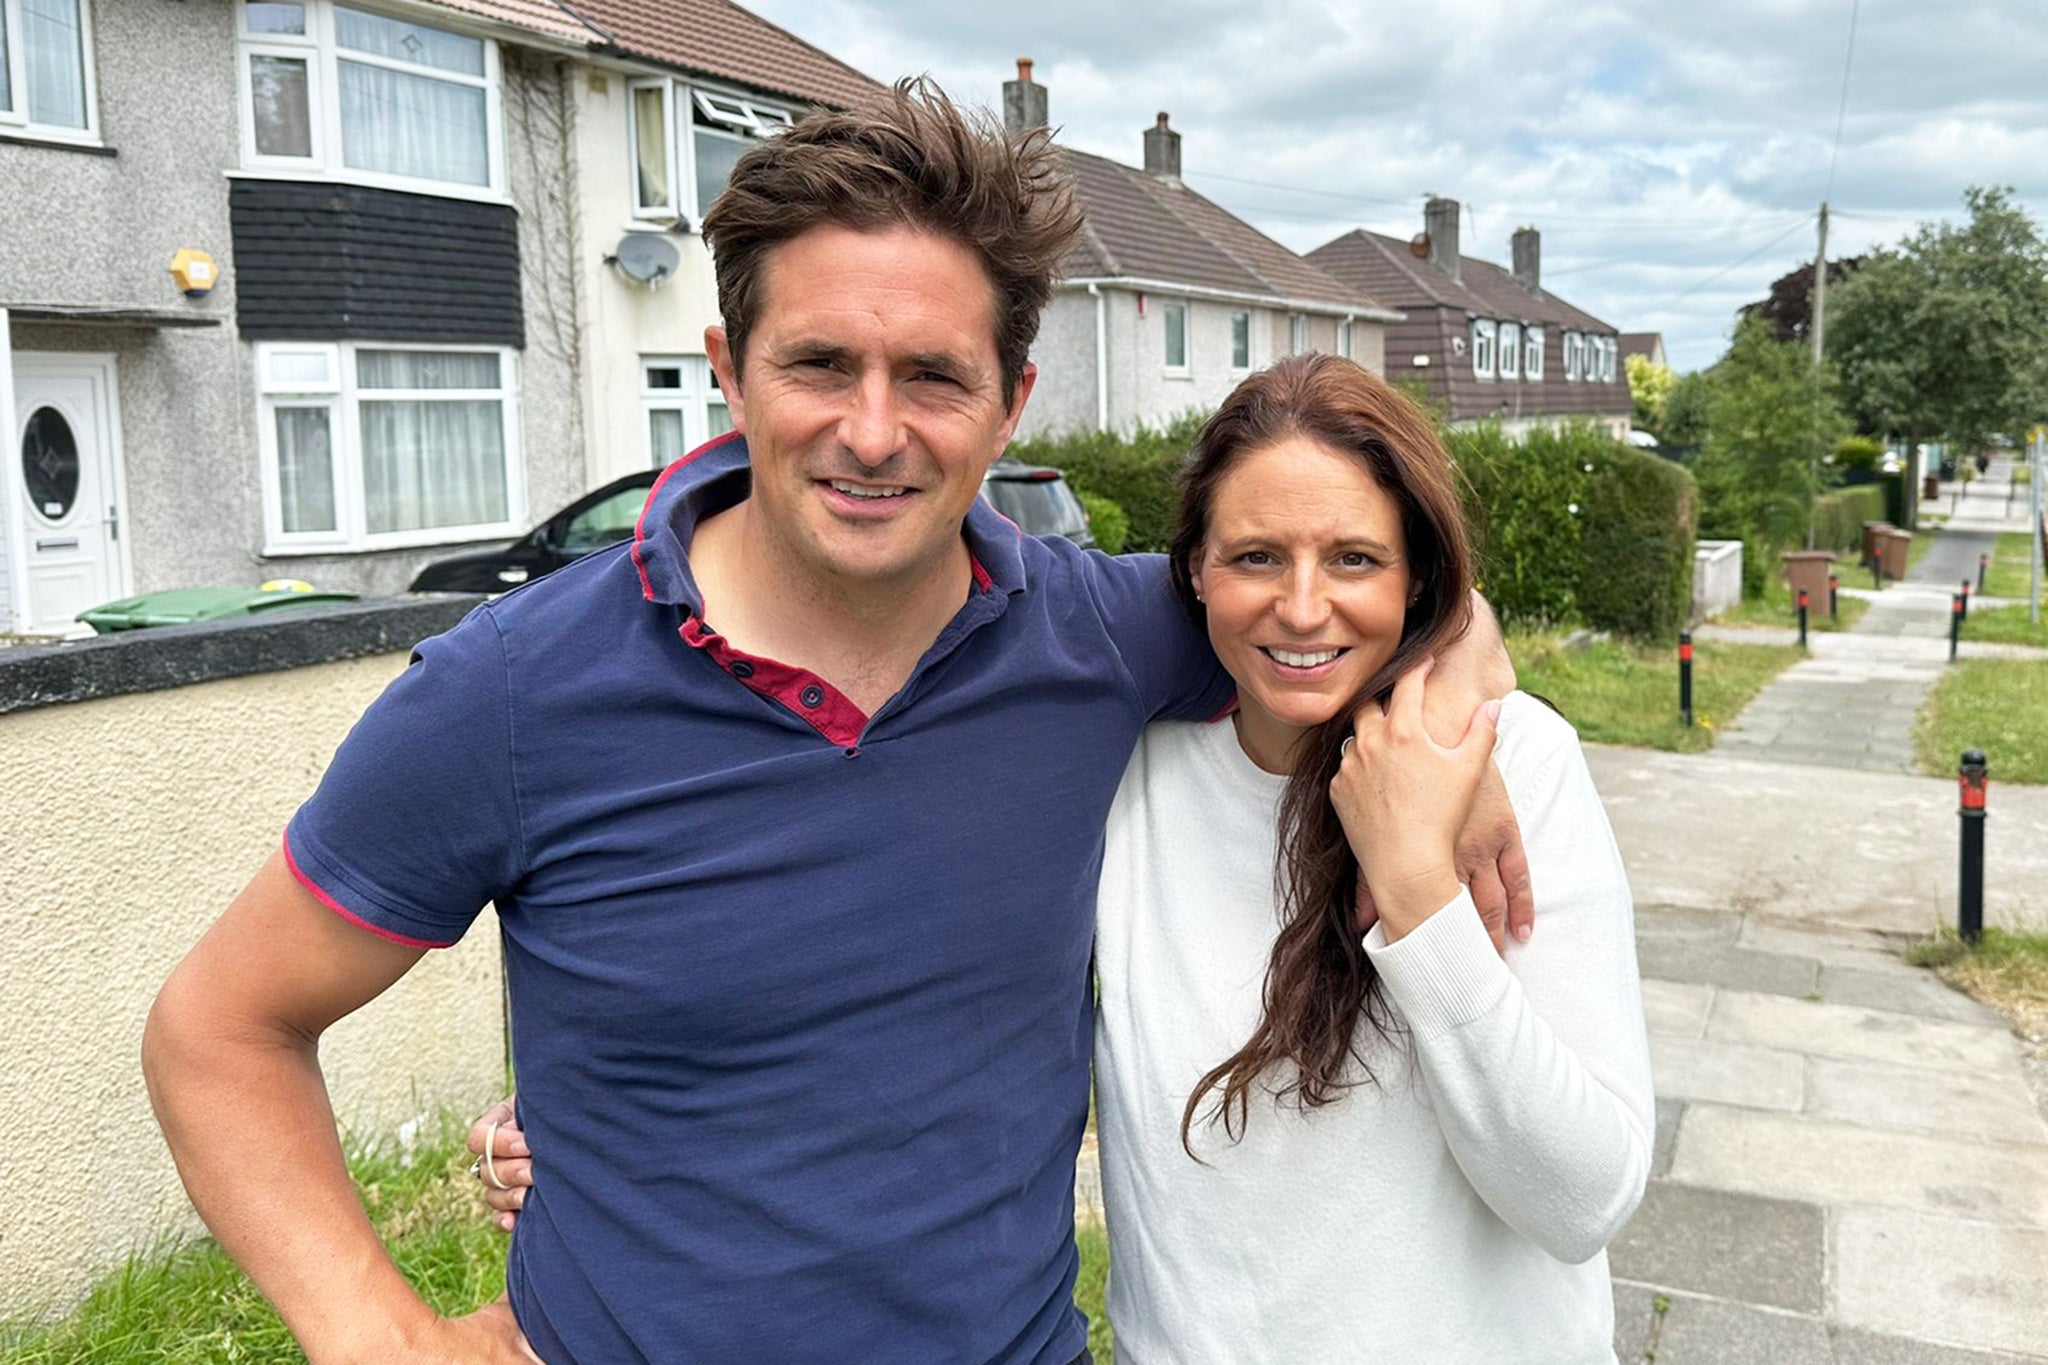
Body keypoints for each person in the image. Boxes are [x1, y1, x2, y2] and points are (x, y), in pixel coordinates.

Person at [143, 84, 1524, 1364]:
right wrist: (382, 1335)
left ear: (1010, 402)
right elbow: (220, 1031)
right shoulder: (510, 689)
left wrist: (1460, 711)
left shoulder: (1099, 634)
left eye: (932, 375)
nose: (874, 431)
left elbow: (1358, 597)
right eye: (819, 364)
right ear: (728, 371)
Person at [480, 356, 1654, 1361]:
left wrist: (1417, 898)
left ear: (1419, 577)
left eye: (1355, 559)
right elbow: (910, 983)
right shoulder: (1125, 763)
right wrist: (615, 1118)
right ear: (1186, 570)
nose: (1302, 609)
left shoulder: (1514, 769)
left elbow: (1581, 1199)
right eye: (1255, 557)